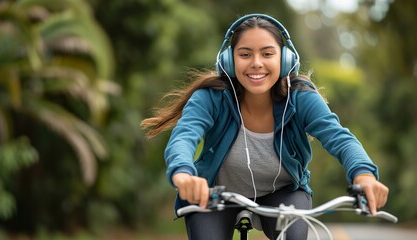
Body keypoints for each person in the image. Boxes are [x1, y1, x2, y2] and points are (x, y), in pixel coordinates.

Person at [141, 13, 389, 240]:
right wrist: (184, 174)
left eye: (267, 54)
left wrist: (364, 177)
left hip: (283, 193)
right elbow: (184, 136)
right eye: (245, 54)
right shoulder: (211, 97)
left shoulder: (300, 98)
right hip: (216, 194)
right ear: (229, 60)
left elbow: (340, 139)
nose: (256, 63)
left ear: (285, 59)